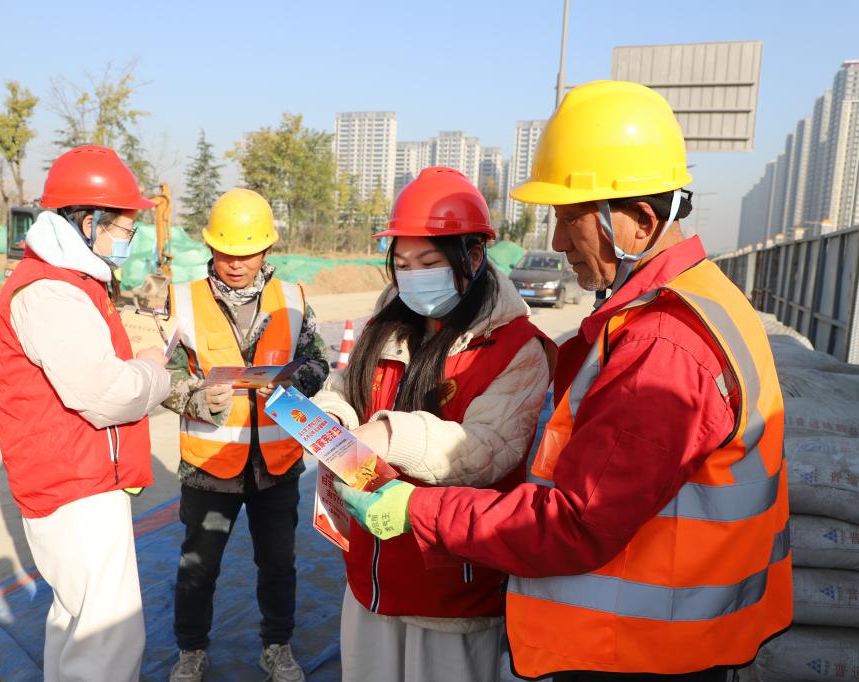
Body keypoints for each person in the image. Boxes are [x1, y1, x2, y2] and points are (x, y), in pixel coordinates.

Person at [336, 82, 793, 682]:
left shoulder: (662, 346)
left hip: (640, 651)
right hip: (659, 636)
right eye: (404, 262)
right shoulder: (696, 303)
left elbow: (574, 520)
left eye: (568, 219)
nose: (555, 243)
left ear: (640, 222)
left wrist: (415, 506)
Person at [315, 167, 555, 682]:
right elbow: (345, 388)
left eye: (428, 263)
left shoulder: (515, 348)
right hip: (372, 575)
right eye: (402, 264)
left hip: (452, 588)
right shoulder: (387, 324)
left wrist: (391, 435)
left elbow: (491, 448)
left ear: (474, 256)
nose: (412, 277)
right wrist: (329, 421)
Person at [0, 144, 172, 681]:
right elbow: (106, 393)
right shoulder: (52, 292)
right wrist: (154, 368)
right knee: (106, 638)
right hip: (76, 487)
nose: (128, 239)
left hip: (73, 480)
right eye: (125, 228)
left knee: (77, 621)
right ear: (88, 221)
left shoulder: (67, 282)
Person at [164, 188, 330, 682]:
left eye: (248, 252)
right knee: (198, 567)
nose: (236, 263)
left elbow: (317, 362)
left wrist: (294, 383)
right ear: (211, 246)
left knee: (278, 564)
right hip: (210, 466)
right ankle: (191, 652)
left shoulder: (294, 299)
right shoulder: (183, 300)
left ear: (267, 249)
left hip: (276, 466)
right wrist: (196, 399)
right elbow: (164, 375)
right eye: (225, 252)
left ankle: (277, 646)